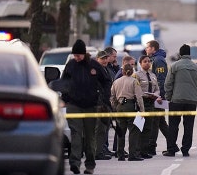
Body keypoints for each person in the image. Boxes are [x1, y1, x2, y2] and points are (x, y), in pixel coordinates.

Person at [60, 39, 112, 175]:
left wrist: (105, 98)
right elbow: (63, 82)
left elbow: (106, 81)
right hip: (74, 105)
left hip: (91, 106)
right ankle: (75, 163)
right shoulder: (70, 65)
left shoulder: (94, 65)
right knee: (76, 135)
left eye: (78, 55)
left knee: (90, 137)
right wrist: (65, 98)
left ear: (84, 53)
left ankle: (90, 165)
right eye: (74, 55)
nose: (76, 58)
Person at [163, 44, 197, 157]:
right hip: (191, 101)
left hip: (176, 100)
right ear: (189, 53)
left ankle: (171, 149)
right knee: (189, 126)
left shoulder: (175, 66)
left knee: (173, 125)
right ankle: (185, 149)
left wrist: (169, 97)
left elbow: (168, 83)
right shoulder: (196, 67)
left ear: (180, 54)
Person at [110, 63, 145, 161]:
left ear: (122, 71)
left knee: (121, 131)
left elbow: (112, 96)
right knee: (133, 130)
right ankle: (132, 154)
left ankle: (120, 154)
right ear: (132, 71)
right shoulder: (134, 81)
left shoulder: (116, 82)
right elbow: (139, 97)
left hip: (119, 106)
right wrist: (142, 110)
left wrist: (115, 106)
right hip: (130, 106)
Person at [145, 40, 170, 155]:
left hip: (158, 96)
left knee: (155, 122)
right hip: (156, 95)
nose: (146, 49)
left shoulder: (159, 60)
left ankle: (151, 147)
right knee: (160, 122)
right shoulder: (155, 59)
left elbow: (160, 79)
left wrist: (159, 95)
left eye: (148, 47)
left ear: (153, 48)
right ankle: (172, 144)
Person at [134, 55, 158, 159]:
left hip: (150, 102)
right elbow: (136, 89)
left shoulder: (153, 75)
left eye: (149, 61)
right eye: (145, 61)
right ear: (140, 63)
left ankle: (144, 150)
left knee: (148, 128)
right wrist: (145, 94)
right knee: (139, 127)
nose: (147, 63)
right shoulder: (137, 75)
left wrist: (156, 94)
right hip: (141, 102)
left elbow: (157, 88)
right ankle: (137, 151)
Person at [94, 51, 113, 161]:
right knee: (99, 129)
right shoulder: (95, 71)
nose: (105, 60)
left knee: (104, 129)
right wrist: (100, 103)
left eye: (106, 58)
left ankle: (101, 150)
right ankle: (97, 152)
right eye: (102, 59)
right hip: (99, 104)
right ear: (97, 59)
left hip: (106, 103)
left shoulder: (105, 70)